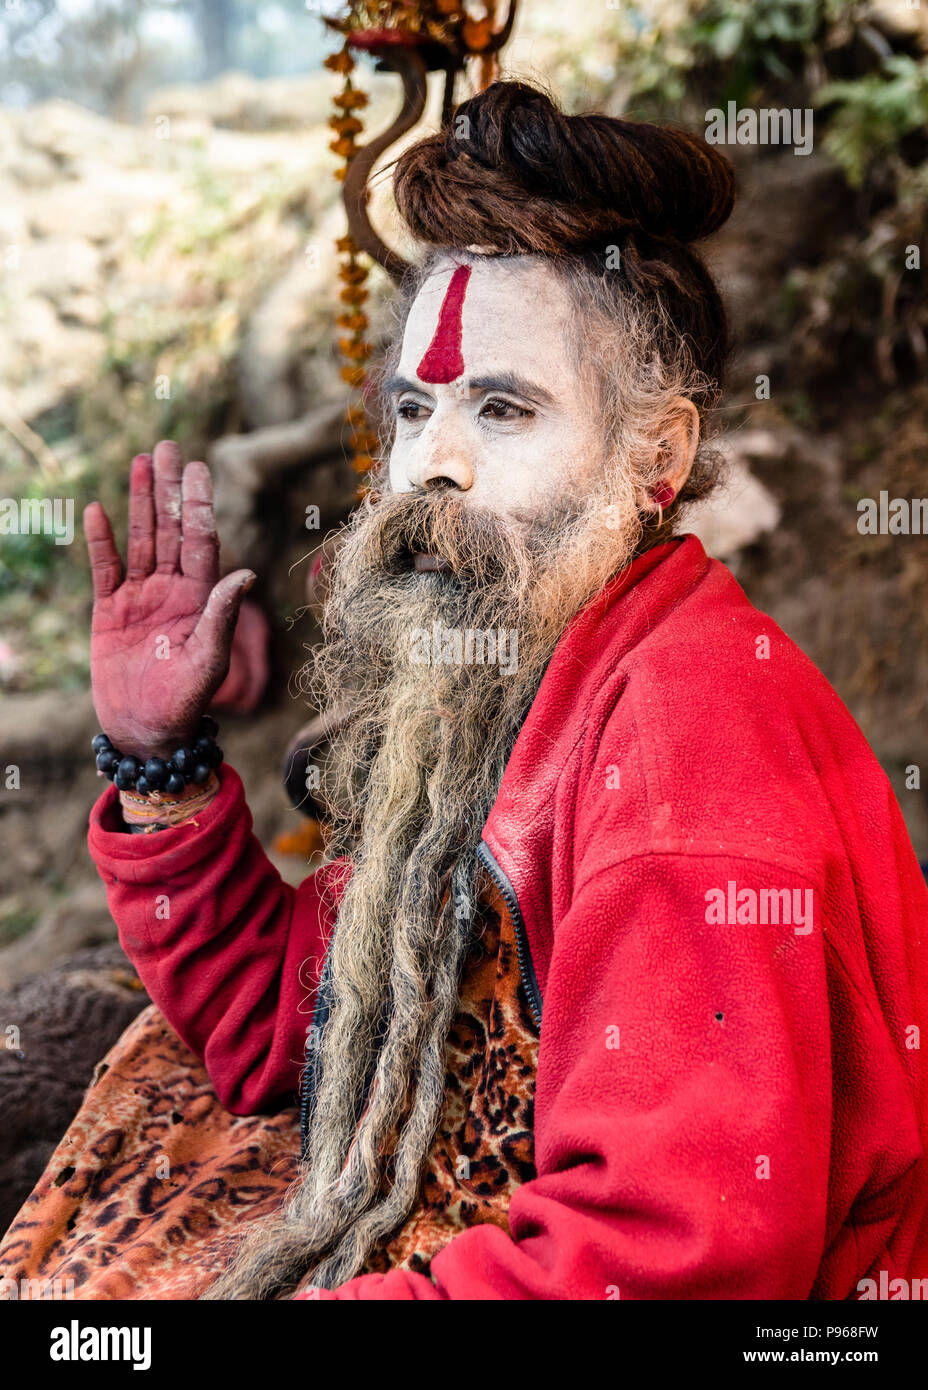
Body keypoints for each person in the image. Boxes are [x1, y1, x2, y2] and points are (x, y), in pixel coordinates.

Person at [2, 81, 926, 1301]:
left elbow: (667, 1263)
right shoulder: (516, 670)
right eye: (414, 407)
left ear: (657, 458)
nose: (430, 462)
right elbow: (296, 1033)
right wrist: (154, 754)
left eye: (503, 406)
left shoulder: (681, 757)